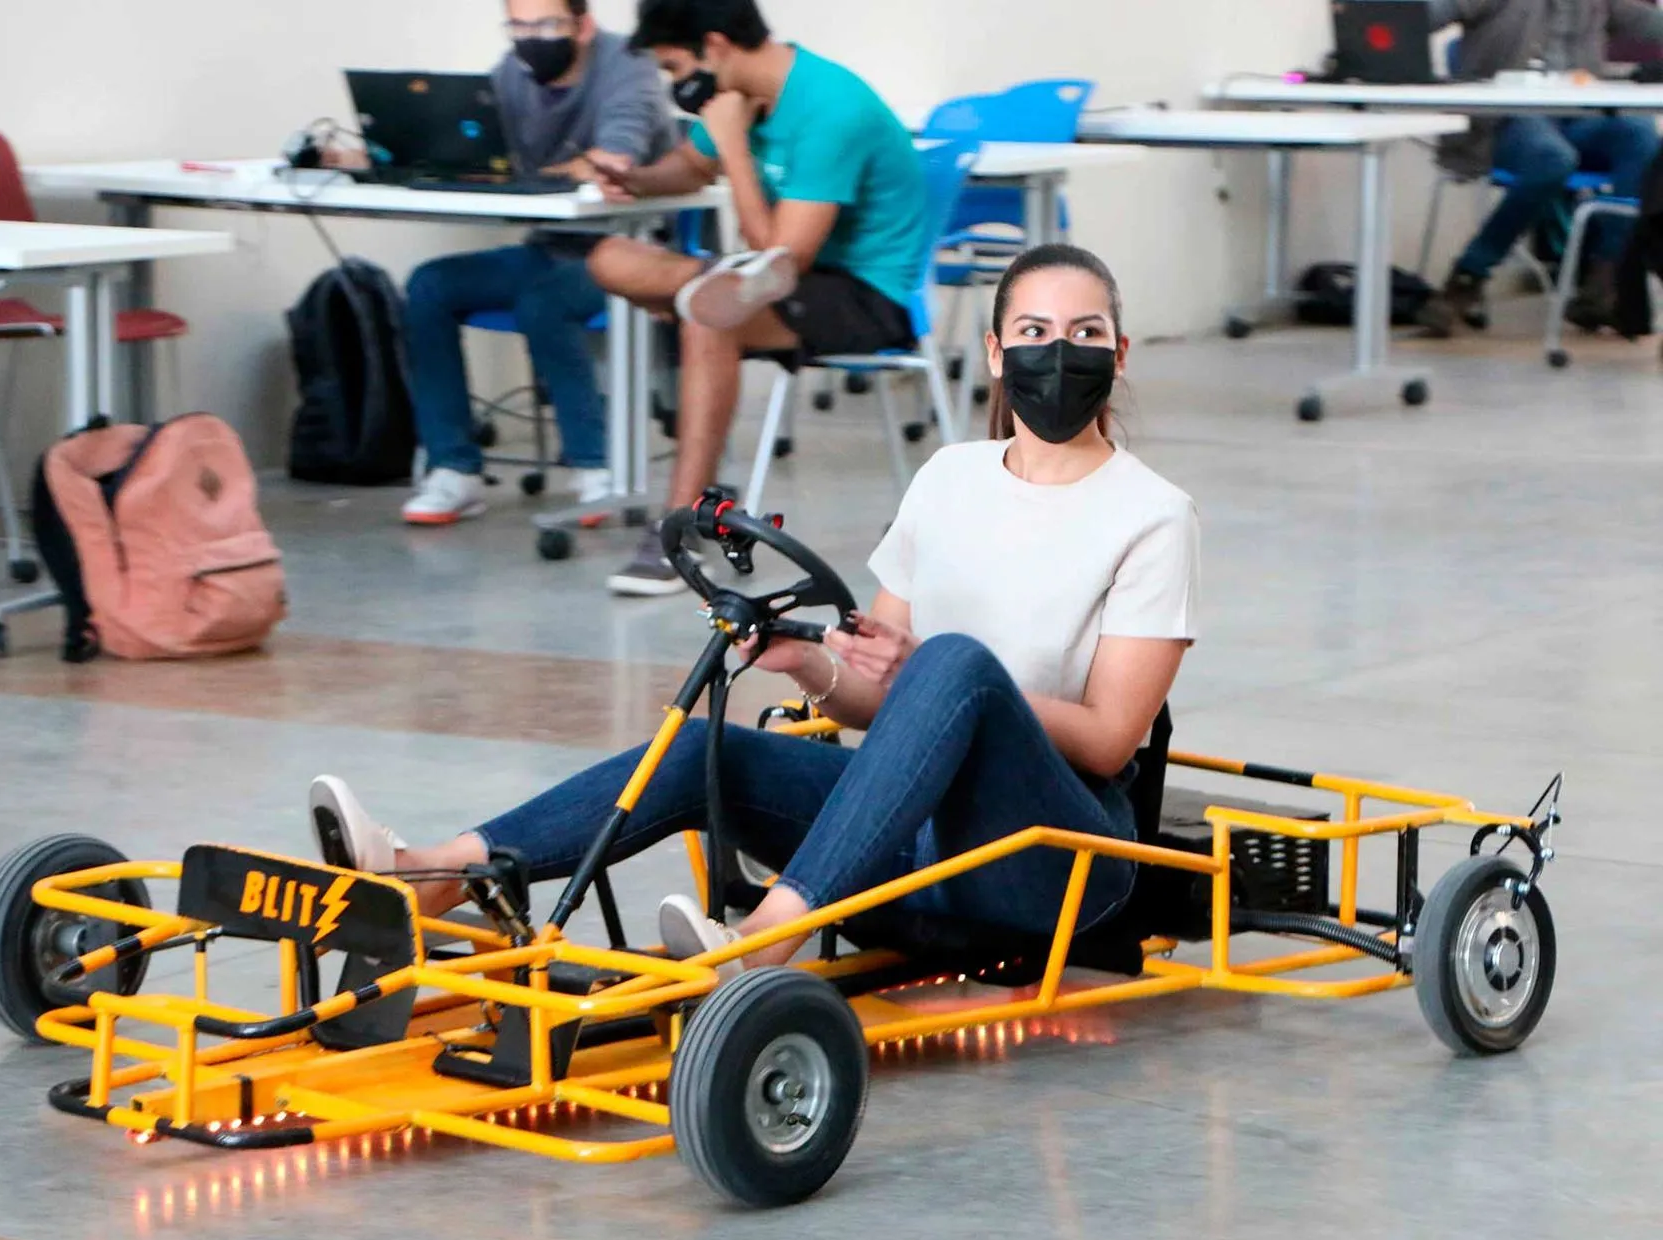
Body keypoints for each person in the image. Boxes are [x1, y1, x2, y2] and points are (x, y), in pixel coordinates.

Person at [307, 244, 1201, 972]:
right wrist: (816, 665)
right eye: (1035, 331)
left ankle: (769, 936)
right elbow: (872, 696)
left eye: (1085, 332)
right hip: (915, 843)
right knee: (709, 749)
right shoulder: (949, 476)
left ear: (1118, 354)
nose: (1060, 351)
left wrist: (948, 677)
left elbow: (1110, 740)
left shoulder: (1152, 513)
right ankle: (432, 873)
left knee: (953, 661)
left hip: (1054, 862)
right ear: (999, 355)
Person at [578, 0, 929, 596]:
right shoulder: (743, 96)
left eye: (673, 67)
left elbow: (782, 262)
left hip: (865, 295)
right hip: (774, 277)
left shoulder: (830, 108)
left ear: (715, 46)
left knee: (711, 317)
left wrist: (736, 149)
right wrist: (632, 177)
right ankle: (699, 307)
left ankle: (680, 531)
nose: (673, 83)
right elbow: (689, 168)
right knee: (608, 258)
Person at [396, 0, 676, 526]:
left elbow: (616, 159)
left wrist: (559, 170)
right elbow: (484, 147)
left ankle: (596, 468)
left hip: (631, 253)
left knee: (543, 300)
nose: (530, 39)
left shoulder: (628, 65)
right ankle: (454, 468)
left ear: (583, 25)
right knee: (429, 285)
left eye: (546, 25)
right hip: (547, 249)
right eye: (518, 26)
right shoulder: (512, 71)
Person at [1418, 0, 1663, 336]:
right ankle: (1468, 275)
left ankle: (1607, 279)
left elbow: (1650, 23)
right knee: (1552, 159)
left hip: (1578, 115)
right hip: (1508, 118)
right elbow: (1420, 17)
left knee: (1641, 136)